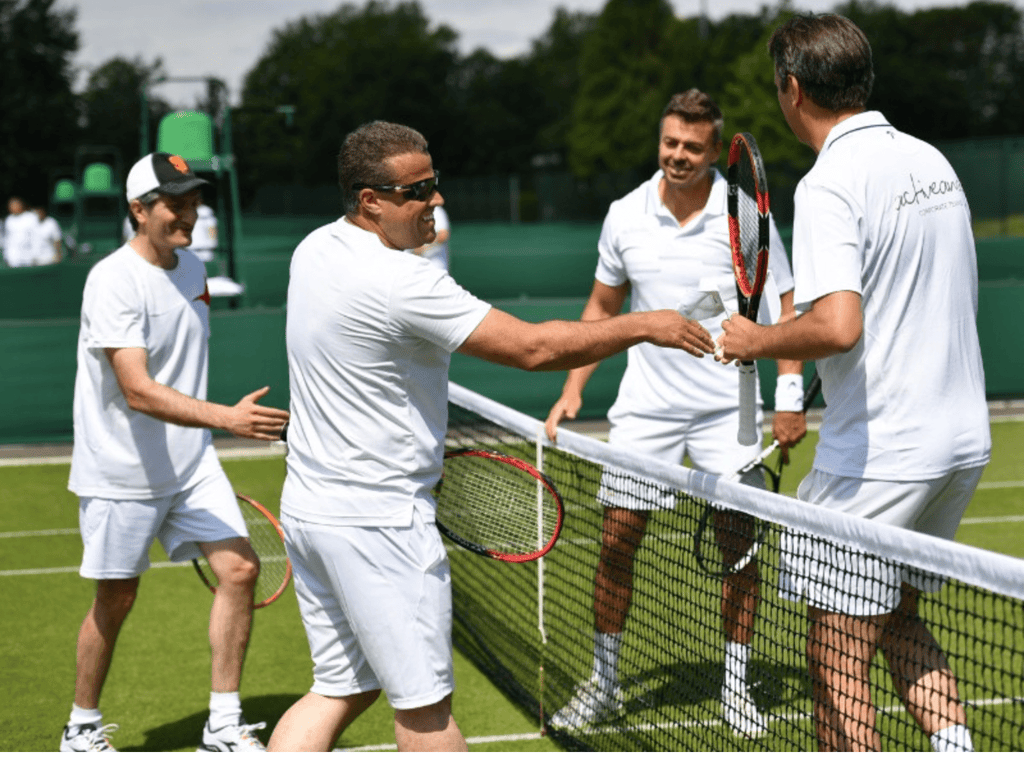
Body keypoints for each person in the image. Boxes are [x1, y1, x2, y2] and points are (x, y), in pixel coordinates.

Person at [267, 120, 716, 753]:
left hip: (311, 510)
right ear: (370, 200)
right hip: (380, 524)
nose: (436, 201)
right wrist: (644, 324)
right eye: (418, 190)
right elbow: (531, 348)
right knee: (426, 713)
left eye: (435, 183)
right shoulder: (404, 281)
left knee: (340, 687)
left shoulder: (313, 249)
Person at [715, 14, 989, 752]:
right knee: (897, 611)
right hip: (960, 443)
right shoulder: (932, 160)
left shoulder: (831, 181)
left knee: (834, 651)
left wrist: (758, 339)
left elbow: (838, 325)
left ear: (792, 89)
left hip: (882, 452)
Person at [543, 89, 806, 739]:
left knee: (739, 553)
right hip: (647, 411)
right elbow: (602, 309)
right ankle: (603, 683)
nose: (678, 156)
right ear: (658, 141)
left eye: (692, 146)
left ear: (716, 150)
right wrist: (575, 385)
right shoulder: (624, 214)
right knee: (615, 542)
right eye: (670, 143)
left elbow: (786, 309)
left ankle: (736, 685)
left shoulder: (747, 215)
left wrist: (791, 397)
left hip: (730, 411)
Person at [61, 152, 290, 753]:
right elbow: (136, 389)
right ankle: (80, 728)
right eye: (174, 203)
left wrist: (209, 430)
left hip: (191, 464)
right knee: (116, 598)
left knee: (239, 570)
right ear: (138, 210)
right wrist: (227, 418)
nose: (189, 212)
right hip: (121, 473)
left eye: (193, 200)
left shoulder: (193, 269)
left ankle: (221, 725)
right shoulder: (111, 279)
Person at [409, 203, 450, 271]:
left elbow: (443, 236)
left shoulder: (436, 211)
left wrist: (424, 247)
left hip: (434, 267)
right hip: (413, 268)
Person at [3, 195, 37, 267]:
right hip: (14, 257)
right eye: (11, 206)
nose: (12, 207)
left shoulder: (31, 217)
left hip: (29, 256)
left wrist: (35, 254)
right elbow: (7, 239)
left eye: (14, 205)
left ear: (21, 205)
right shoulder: (9, 220)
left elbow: (36, 237)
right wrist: (6, 255)